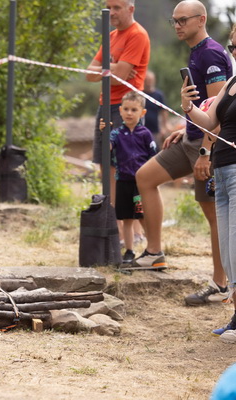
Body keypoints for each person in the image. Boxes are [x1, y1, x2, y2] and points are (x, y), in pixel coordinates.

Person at [133, 1, 232, 303]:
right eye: (174, 21)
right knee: (145, 177)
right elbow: (200, 107)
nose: (177, 26)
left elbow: (218, 113)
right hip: (189, 138)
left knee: (215, 216)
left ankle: (220, 285)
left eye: (183, 20)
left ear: (201, 20)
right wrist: (184, 127)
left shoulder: (212, 53)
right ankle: (154, 252)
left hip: (207, 146)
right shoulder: (195, 51)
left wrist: (205, 152)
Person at [178, 23, 236, 339]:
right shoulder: (231, 84)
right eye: (233, 47)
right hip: (222, 171)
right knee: (228, 249)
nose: (234, 52)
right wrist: (188, 106)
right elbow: (210, 121)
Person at [86, 0, 150, 205]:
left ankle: (130, 219)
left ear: (131, 9)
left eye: (116, 8)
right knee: (105, 164)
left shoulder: (137, 34)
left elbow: (117, 78)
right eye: (108, 8)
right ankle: (111, 214)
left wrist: (111, 70)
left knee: (126, 166)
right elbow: (88, 73)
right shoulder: (111, 36)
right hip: (105, 105)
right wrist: (113, 67)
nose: (111, 12)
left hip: (127, 107)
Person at [100, 91, 157, 265]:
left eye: (134, 110)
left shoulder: (145, 134)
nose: (129, 113)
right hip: (123, 181)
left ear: (142, 112)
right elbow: (108, 148)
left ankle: (153, 248)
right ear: (120, 111)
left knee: (143, 216)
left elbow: (153, 157)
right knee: (127, 218)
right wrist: (104, 132)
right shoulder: (116, 134)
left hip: (141, 183)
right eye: (126, 109)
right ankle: (129, 250)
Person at [143, 70, 171, 149]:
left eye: (150, 80)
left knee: (155, 149)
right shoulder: (140, 94)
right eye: (147, 80)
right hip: (142, 128)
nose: (148, 82)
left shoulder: (158, 95)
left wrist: (164, 126)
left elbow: (164, 111)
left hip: (155, 130)